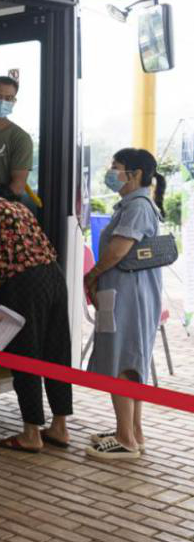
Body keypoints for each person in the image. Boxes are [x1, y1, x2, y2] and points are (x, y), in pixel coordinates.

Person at [0, 164, 73, 452]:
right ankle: (60, 427)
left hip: (25, 282)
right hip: (53, 275)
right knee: (57, 350)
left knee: (27, 354)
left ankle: (31, 434)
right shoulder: (17, 205)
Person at [83, 148, 166, 460]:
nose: (111, 172)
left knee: (123, 363)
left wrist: (92, 275)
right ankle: (133, 432)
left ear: (136, 174)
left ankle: (125, 439)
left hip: (129, 296)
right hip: (126, 293)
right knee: (130, 362)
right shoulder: (135, 204)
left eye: (116, 167)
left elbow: (118, 250)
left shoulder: (138, 207)